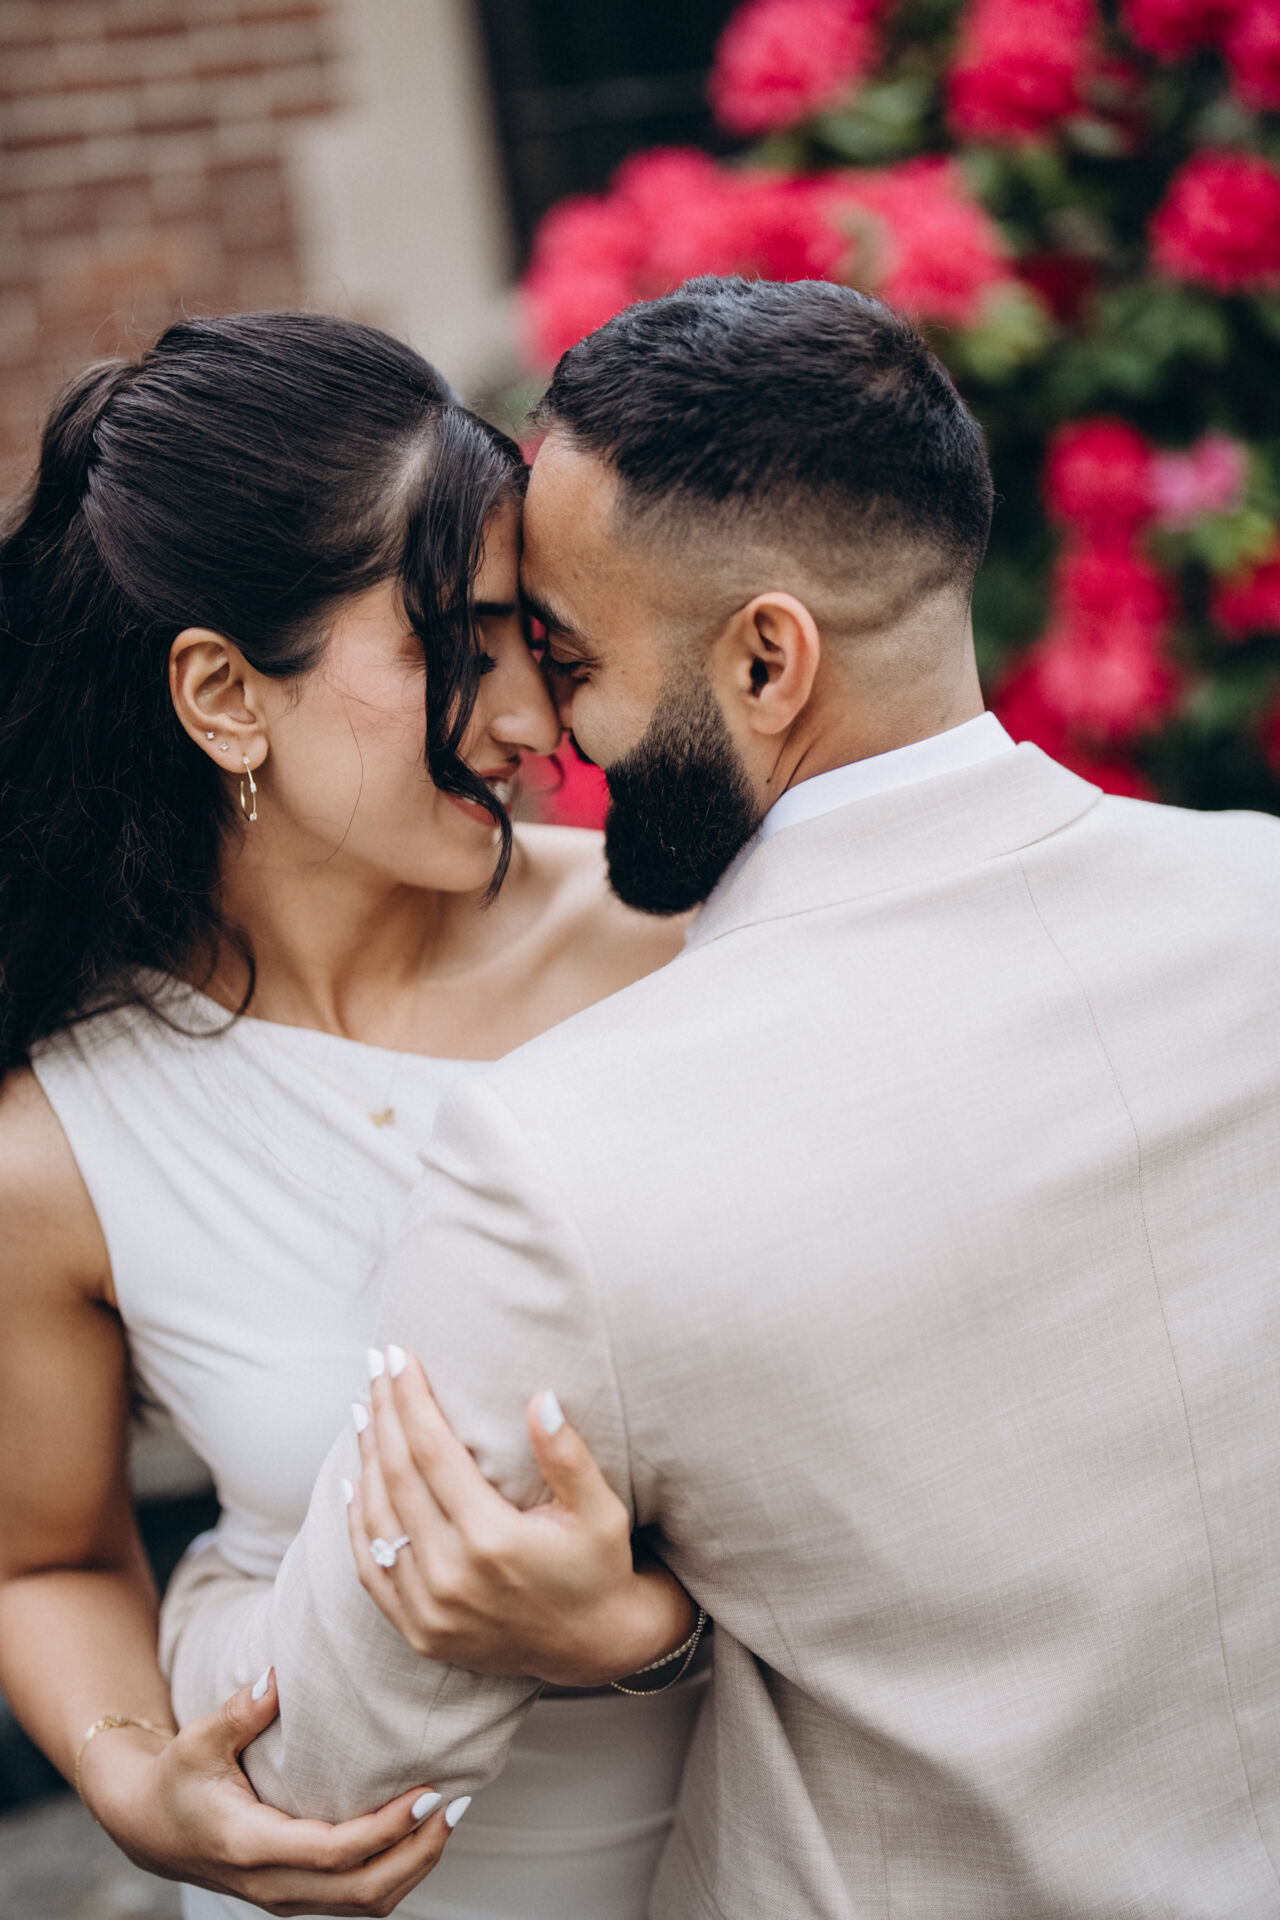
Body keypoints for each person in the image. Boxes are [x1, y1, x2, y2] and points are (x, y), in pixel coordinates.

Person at [163, 276, 1280, 1919]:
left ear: (768, 660)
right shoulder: (1259, 901)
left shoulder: (560, 1156)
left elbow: (318, 1775)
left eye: (567, 654)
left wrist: (219, 1579)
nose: (548, 728)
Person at [0, 312, 707, 1920]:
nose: (534, 724)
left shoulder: (675, 957)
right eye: (456, 646)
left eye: (535, 641)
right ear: (223, 694)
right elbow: (46, 1559)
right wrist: (132, 1779)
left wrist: (642, 1632)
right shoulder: (58, 1144)